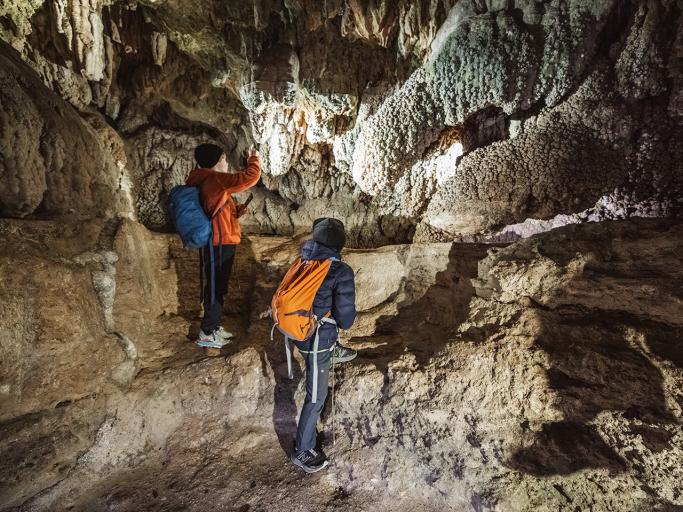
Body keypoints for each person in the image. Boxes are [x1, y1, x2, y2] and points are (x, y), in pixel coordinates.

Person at [290, 218, 358, 473]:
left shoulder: (303, 261)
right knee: (316, 397)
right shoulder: (340, 270)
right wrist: (343, 322)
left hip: (298, 332)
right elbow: (346, 317)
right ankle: (303, 450)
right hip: (317, 339)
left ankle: (334, 349)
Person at [186, 143, 261, 348]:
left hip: (220, 241)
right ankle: (207, 333)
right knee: (215, 289)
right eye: (224, 159)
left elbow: (214, 208)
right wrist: (254, 159)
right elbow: (249, 178)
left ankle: (214, 327)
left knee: (218, 287)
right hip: (217, 243)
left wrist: (235, 211)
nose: (226, 162)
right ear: (216, 161)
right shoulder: (214, 178)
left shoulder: (207, 180)